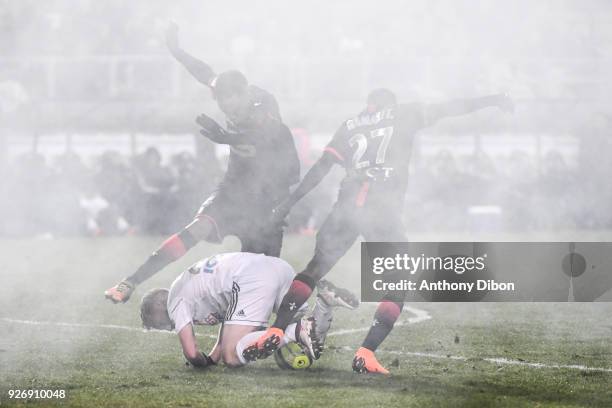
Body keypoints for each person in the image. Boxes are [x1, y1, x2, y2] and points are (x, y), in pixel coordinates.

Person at [248, 88, 514, 373]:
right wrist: (490, 100)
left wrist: (288, 203)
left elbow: (320, 169)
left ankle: (276, 330)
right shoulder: (404, 113)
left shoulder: (349, 125)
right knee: (398, 281)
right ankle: (366, 352)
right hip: (381, 209)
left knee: (314, 268)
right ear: (391, 103)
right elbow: (451, 106)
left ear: (368, 105)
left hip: (346, 206)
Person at [105, 23, 300, 303]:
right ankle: (130, 282)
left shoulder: (264, 105)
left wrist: (229, 137)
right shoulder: (224, 89)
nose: (227, 107)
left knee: (261, 284)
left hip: (267, 199)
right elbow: (204, 72)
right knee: (198, 227)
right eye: (222, 102)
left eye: (232, 101)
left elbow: (268, 136)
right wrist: (177, 51)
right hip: (234, 188)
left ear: (246, 92)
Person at [139, 252, 321, 368]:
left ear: (157, 306)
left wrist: (201, 362)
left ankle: (295, 332)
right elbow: (230, 317)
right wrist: (211, 358)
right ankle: (325, 305)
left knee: (232, 356)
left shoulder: (174, 302)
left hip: (252, 278)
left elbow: (192, 353)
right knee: (297, 318)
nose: (163, 328)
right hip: (276, 267)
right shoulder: (185, 288)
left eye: (155, 323)